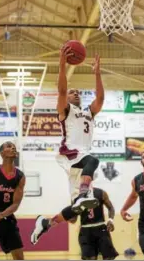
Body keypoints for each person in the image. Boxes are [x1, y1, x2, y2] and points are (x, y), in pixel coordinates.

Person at [55, 46, 104, 213]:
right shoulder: (66, 110)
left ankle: (46, 222)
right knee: (94, 161)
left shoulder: (88, 112)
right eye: (72, 92)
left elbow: (100, 98)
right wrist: (62, 64)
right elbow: (61, 90)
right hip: (70, 153)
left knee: (77, 206)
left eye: (78, 92)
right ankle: (82, 194)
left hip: (81, 156)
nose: (76, 93)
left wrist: (97, 74)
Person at [31, 187, 119, 260]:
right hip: (86, 230)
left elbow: (111, 208)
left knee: (109, 257)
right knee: (90, 258)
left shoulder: (101, 193)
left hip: (101, 228)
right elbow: (73, 219)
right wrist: (66, 218)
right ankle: (45, 223)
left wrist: (111, 220)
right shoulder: (76, 196)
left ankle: (45, 223)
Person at [0, 141, 26, 260]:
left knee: (19, 257)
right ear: (2, 153)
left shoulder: (20, 176)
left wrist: (1, 215)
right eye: (9, 146)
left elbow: (16, 203)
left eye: (14, 146)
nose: (13, 147)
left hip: (7, 219)